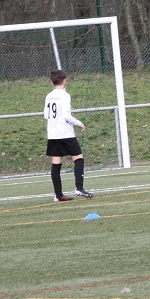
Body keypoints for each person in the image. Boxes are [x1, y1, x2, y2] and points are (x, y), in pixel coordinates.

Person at [44, 69, 92, 202]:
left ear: (51, 82)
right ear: (64, 81)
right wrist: (79, 123)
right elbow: (66, 115)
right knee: (78, 158)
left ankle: (58, 195)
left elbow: (46, 115)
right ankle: (79, 188)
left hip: (53, 133)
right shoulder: (65, 95)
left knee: (56, 162)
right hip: (64, 132)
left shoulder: (49, 96)